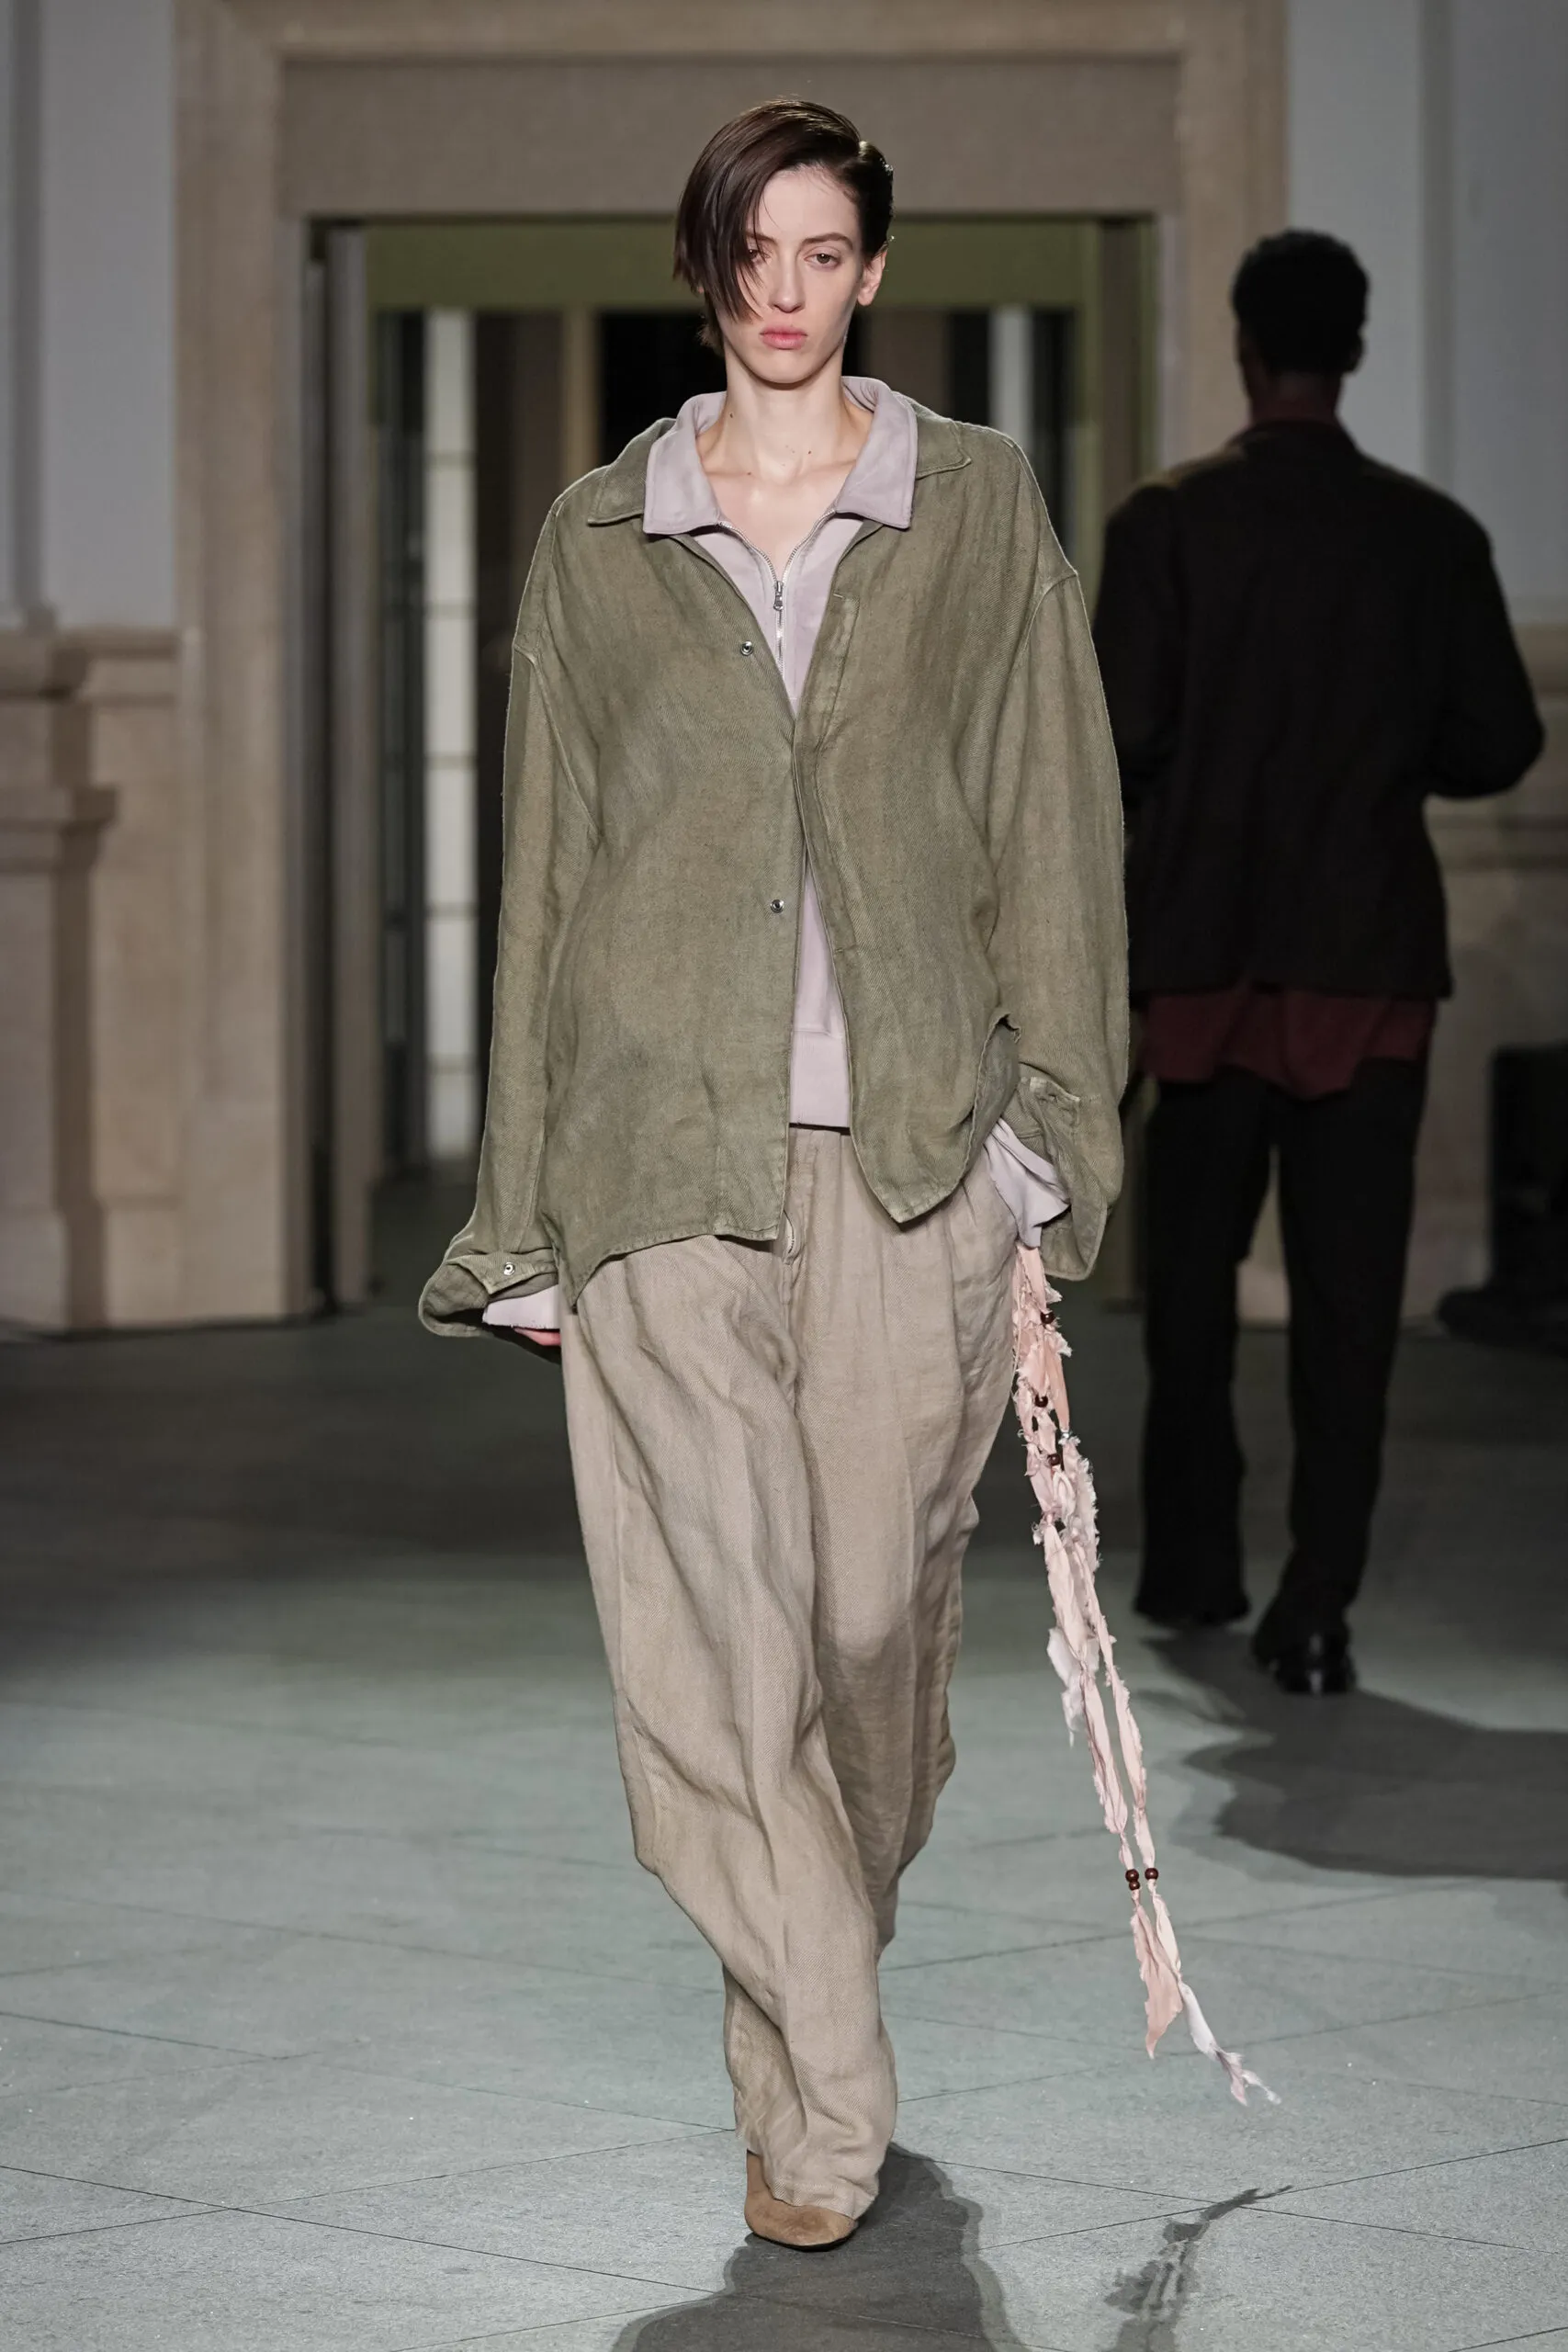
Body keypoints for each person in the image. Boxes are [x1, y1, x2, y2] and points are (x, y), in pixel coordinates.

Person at [421, 99, 1126, 2245]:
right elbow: (547, 876)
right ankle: (836, 2079)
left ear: (873, 270)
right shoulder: (599, 538)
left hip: (912, 1159)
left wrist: (1044, 1145)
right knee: (714, 1651)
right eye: (754, 254)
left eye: (825, 253)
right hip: (656, 1156)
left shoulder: (975, 509)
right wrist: (524, 1218)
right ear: (704, 268)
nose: (788, 293)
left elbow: (1052, 824)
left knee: (859, 1647)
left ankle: (793, 2036)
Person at [1093, 229, 1543, 1697]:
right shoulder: (1429, 536)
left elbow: (1121, 735)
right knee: (1349, 1307)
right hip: (1363, 954)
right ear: (1351, 351)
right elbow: (1499, 741)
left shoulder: (1166, 526)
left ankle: (1192, 1564)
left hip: (1203, 955)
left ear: (1242, 346)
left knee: (1190, 1292)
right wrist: (1380, 746)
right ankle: (1316, 1604)